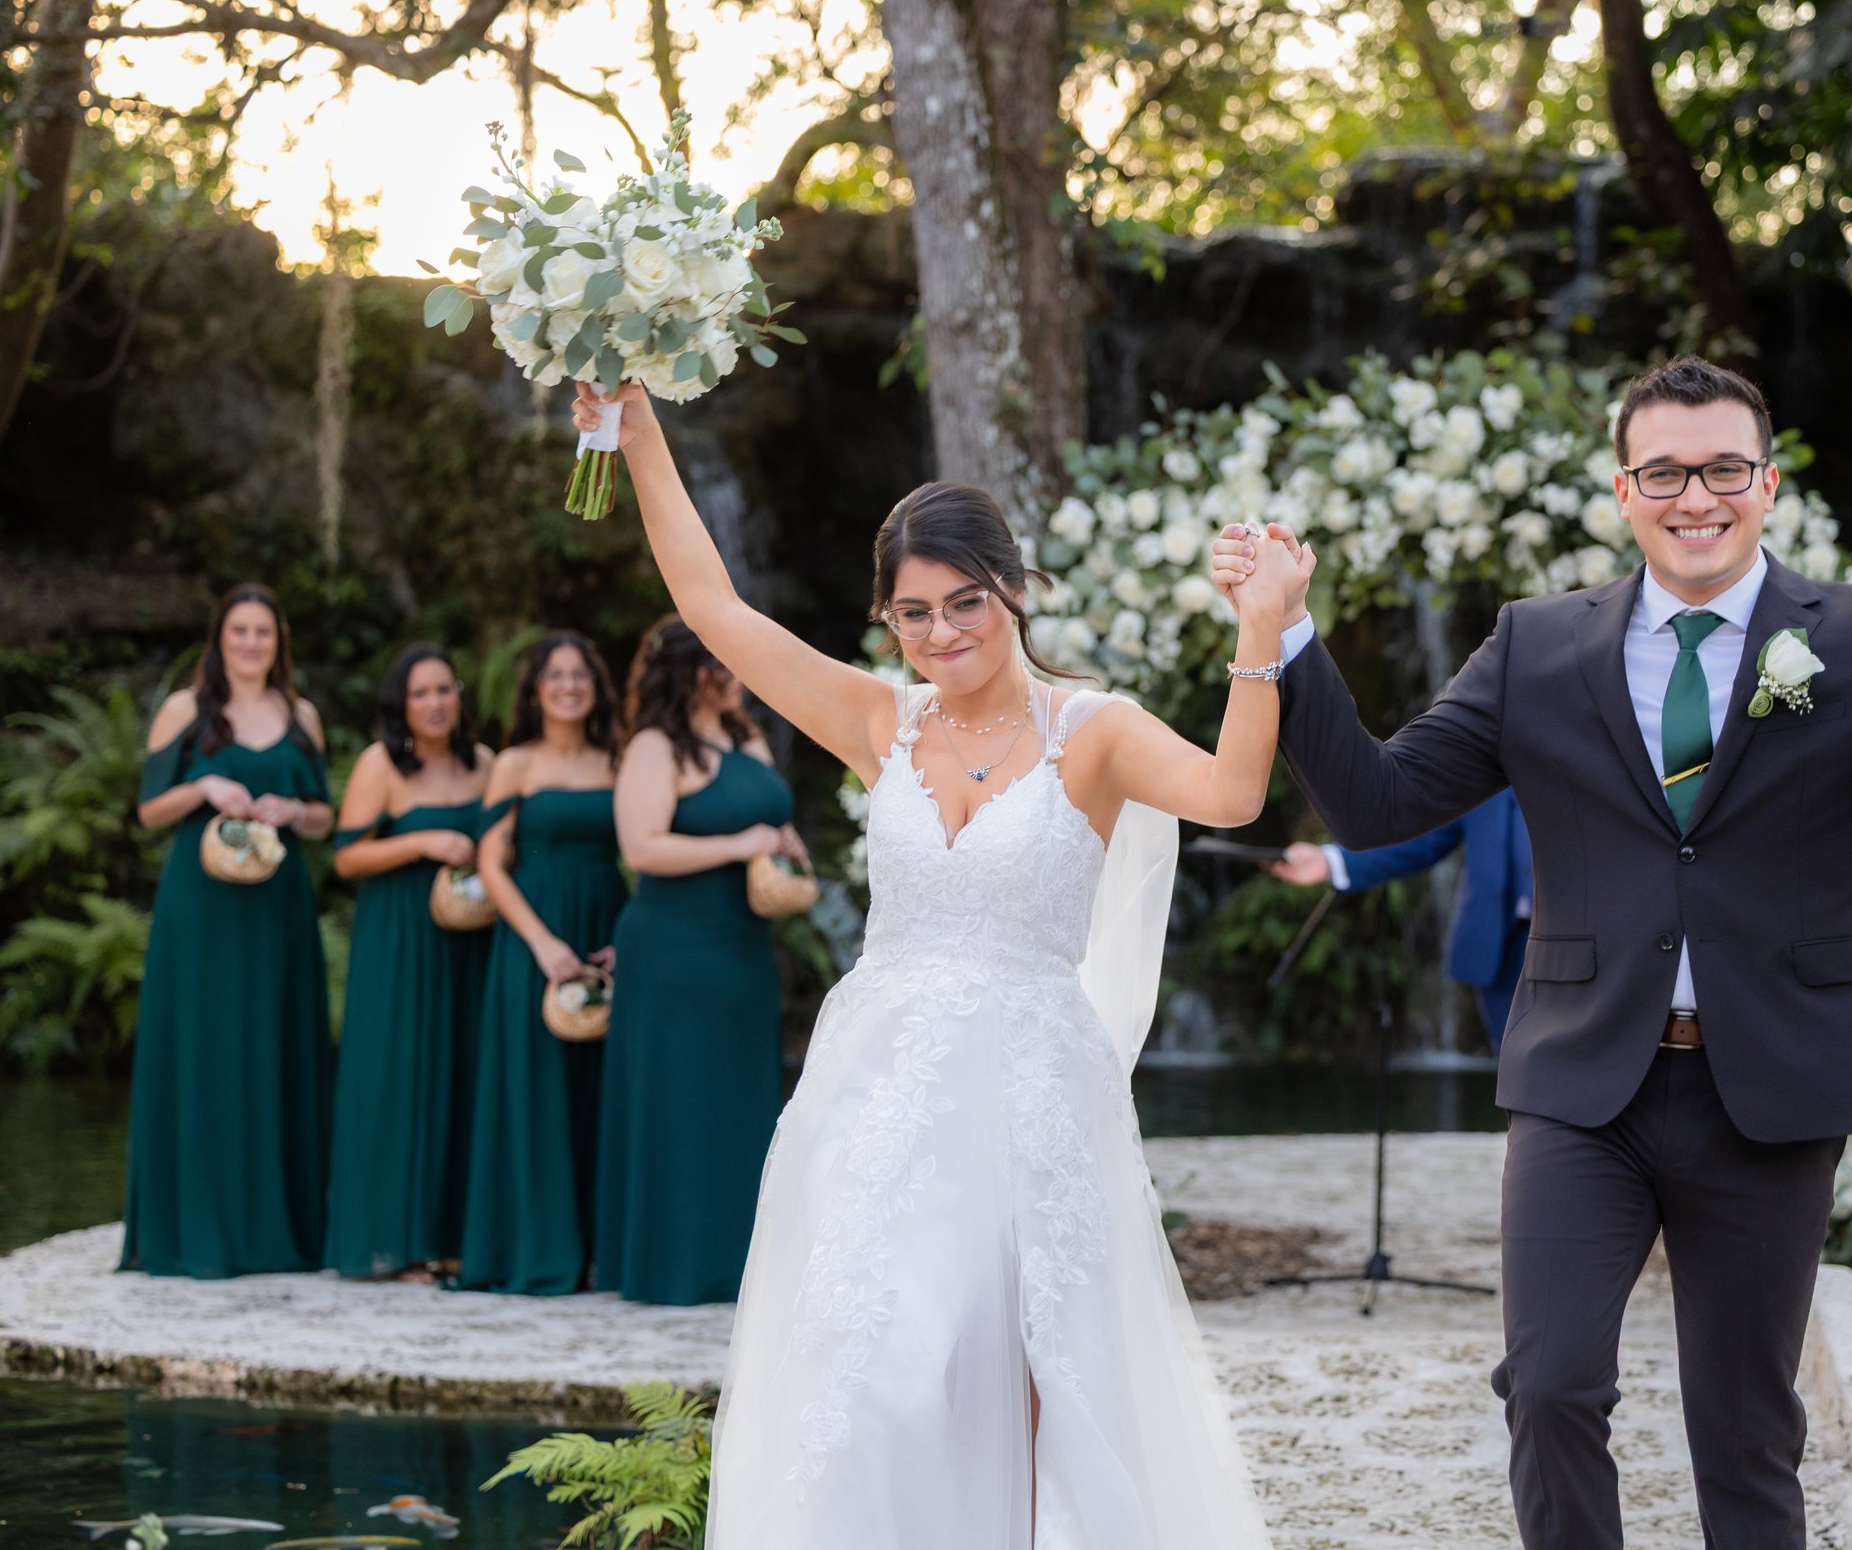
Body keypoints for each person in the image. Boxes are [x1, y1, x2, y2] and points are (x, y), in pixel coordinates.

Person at [1215, 355, 1852, 1550]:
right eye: (1664, 469)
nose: (1693, 494)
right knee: (1549, 1386)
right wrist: (1284, 628)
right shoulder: (1535, 643)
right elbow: (1382, 800)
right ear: (1622, 488)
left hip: (1772, 1081)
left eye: (1721, 468)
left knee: (1744, 1420)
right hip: (1580, 1080)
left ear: (1765, 483)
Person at [581, 380, 1300, 1549]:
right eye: (912, 614)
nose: (942, 634)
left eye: (965, 602)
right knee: (871, 1367)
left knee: (1026, 1369)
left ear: (1014, 590)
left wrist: (1257, 629)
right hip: (875, 1090)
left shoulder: (1095, 729)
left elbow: (1231, 790)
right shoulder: (881, 720)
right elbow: (711, 607)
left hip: (1026, 1092)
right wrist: (640, 429)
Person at [592, 616, 807, 1307]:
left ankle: (739, 1264)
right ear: (687, 669)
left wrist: (785, 845)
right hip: (673, 947)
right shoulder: (655, 747)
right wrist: (740, 843)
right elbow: (642, 848)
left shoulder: (745, 737)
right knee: (678, 1098)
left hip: (742, 948)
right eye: (723, 663)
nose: (737, 675)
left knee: (738, 1098)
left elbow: (771, 817)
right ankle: (673, 1268)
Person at [128, 584, 336, 1277]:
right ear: (219, 637)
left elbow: (326, 816)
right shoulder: (187, 710)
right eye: (240, 630)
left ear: (279, 642)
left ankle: (278, 1231)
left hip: (278, 904)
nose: (251, 642)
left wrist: (291, 810)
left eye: (264, 632)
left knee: (277, 1048)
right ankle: (194, 1231)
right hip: (202, 908)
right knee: (204, 1050)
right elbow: (150, 810)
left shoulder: (300, 713)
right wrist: (204, 789)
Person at [454, 631, 625, 1297]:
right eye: (555, 675)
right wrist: (542, 942)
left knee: (599, 1090)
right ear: (535, 688)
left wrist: (627, 936)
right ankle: (534, 1249)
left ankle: (596, 1252)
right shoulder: (515, 764)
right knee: (535, 1091)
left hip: (604, 927)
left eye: (580, 674)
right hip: (533, 937)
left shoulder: (618, 758)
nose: (568, 685)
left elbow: (638, 847)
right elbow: (490, 864)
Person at [326, 644, 495, 1281]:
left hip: (471, 936)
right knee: (397, 1075)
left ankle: (454, 1237)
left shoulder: (485, 763)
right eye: (420, 693)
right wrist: (422, 840)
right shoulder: (380, 765)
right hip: (399, 936)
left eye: (444, 690)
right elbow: (347, 856)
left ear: (459, 696)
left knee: (462, 1072)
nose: (434, 704)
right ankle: (392, 1243)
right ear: (401, 703)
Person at [1271, 789, 1531, 1050]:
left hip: (1567, 942)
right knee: (1517, 1072)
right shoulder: (1488, 761)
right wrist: (1331, 861)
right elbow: (1426, 836)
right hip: (1501, 947)